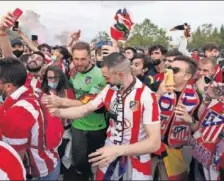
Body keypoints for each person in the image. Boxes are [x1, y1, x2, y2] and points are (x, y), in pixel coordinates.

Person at [46, 52, 161, 180]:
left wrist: (118, 150)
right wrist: (57, 112)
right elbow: (85, 109)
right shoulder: (109, 89)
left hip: (136, 158)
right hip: (109, 151)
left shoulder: (146, 96)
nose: (105, 81)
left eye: (107, 77)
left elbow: (154, 143)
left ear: (120, 75)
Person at [42, 42, 107, 181]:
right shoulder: (73, 71)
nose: (79, 62)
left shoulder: (100, 75)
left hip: (96, 126)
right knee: (78, 161)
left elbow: (87, 101)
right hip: (77, 124)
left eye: (83, 59)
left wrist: (62, 103)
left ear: (90, 57)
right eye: (76, 59)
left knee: (95, 159)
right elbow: (68, 87)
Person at [0, 57, 60, 180]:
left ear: (8, 86)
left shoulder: (17, 113)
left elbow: (16, 158)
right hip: (50, 161)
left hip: (38, 172)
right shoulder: (32, 91)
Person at [154, 55, 201, 180]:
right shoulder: (157, 86)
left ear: (187, 76)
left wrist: (189, 119)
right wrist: (158, 94)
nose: (168, 72)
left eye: (175, 70)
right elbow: (142, 114)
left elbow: (199, 128)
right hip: (151, 146)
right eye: (168, 68)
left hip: (176, 151)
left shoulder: (197, 98)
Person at [41, 65, 76, 179]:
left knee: (64, 156)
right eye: (50, 77)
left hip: (65, 131)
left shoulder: (68, 91)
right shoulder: (42, 92)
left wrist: (61, 103)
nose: (52, 80)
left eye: (56, 77)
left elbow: (74, 108)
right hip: (48, 132)